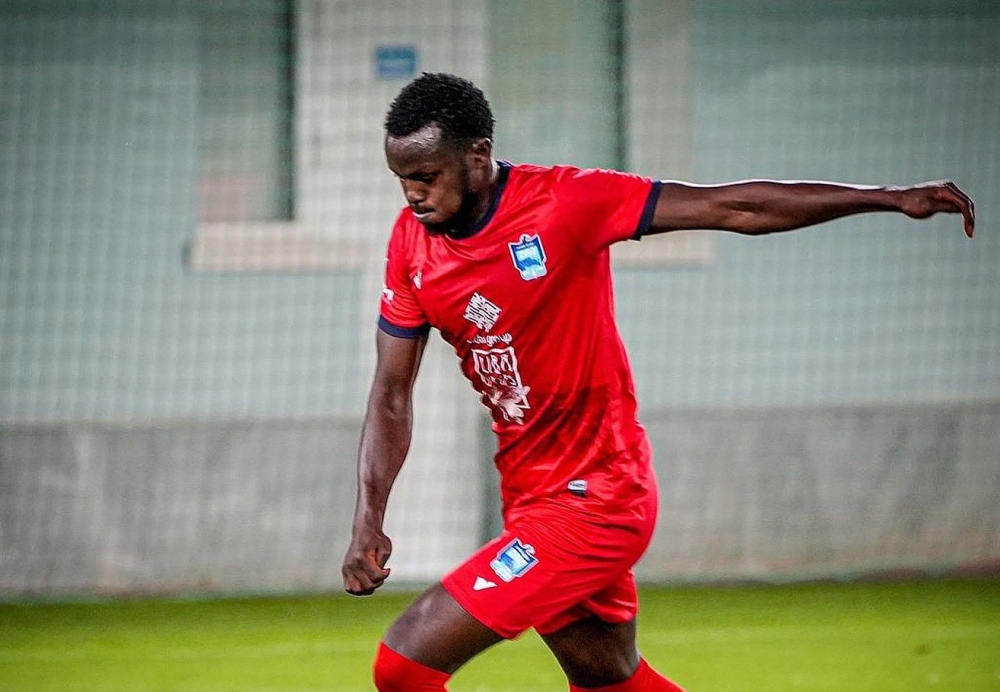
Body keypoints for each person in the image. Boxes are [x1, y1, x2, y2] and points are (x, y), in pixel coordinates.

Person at [341, 72, 975, 692]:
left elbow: (733, 206)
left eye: (426, 177)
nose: (413, 196)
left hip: (598, 499)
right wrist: (369, 516)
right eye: (402, 180)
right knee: (608, 679)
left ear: (477, 156)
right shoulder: (410, 247)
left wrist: (888, 197)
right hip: (529, 493)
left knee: (404, 666)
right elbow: (391, 392)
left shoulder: (565, 201)